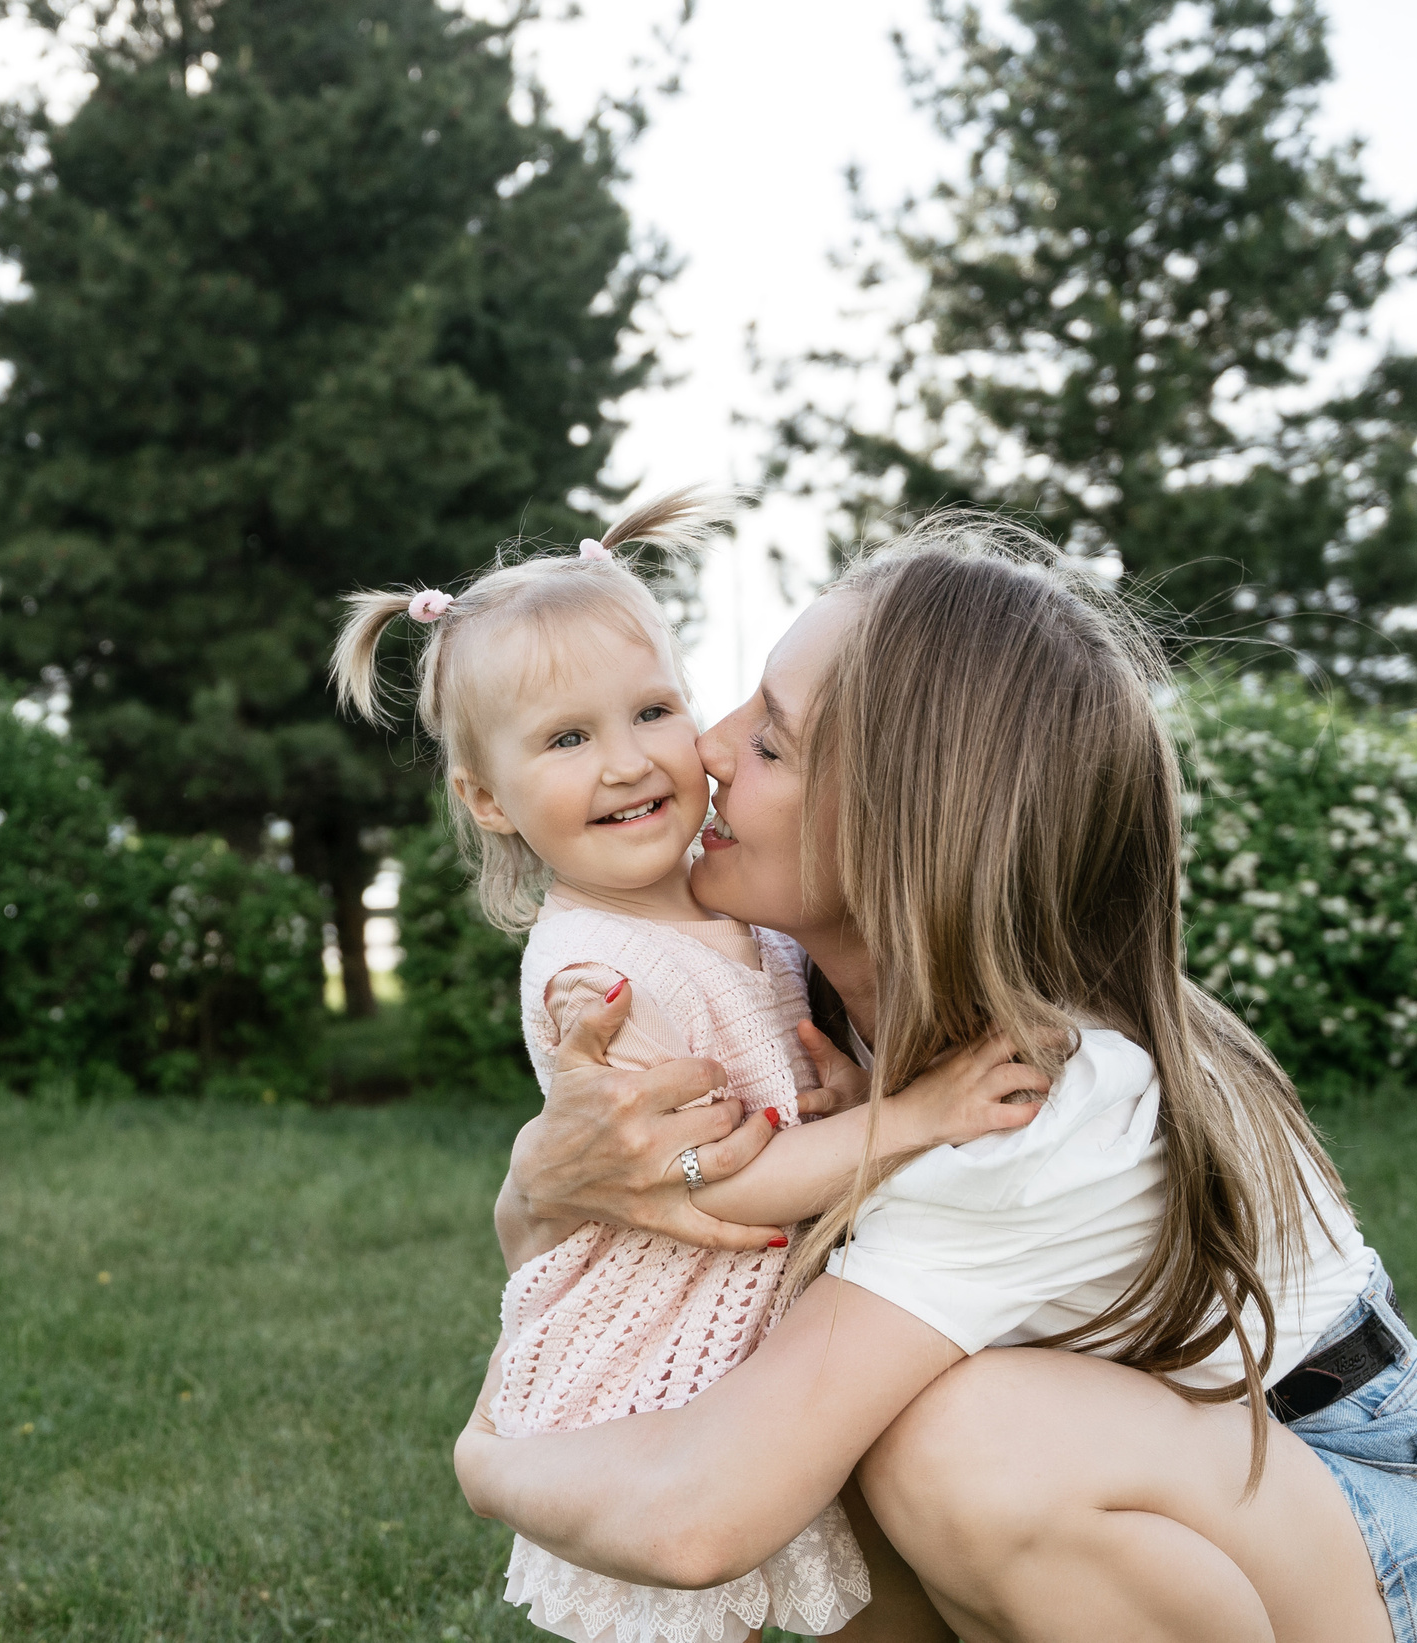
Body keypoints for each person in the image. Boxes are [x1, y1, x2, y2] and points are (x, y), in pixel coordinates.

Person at [456, 515, 1417, 1643]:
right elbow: (606, 1240)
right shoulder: (790, 988)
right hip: (1189, 1460)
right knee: (832, 1428)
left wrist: (490, 1456)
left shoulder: (1036, 1101)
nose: (707, 746)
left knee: (949, 1447)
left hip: (1361, 1513)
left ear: (902, 834)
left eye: (772, 742)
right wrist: (544, 1176)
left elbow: (696, 1520)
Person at [332, 493, 1042, 1643]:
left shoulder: (740, 920)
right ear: (486, 800)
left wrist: (844, 1101)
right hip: (659, 1357)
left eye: (652, 710)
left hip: (764, 1332)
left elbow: (772, 1112)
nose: (626, 762)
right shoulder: (598, 970)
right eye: (566, 739)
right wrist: (914, 1116)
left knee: (885, 1602)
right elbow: (716, 1190)